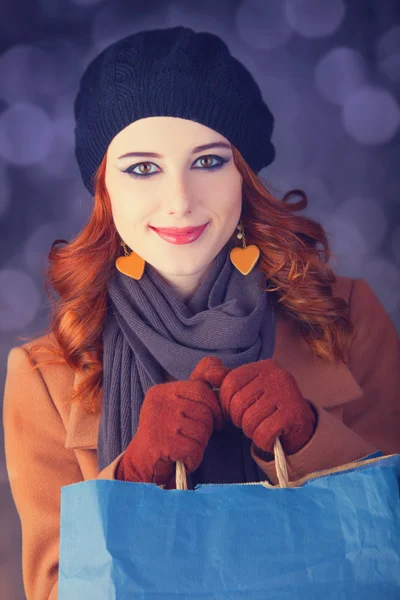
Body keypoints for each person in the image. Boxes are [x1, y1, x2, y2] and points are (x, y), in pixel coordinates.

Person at [3, 25, 400, 600]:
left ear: (244, 176)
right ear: (104, 191)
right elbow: (54, 591)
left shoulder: (347, 316)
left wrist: (311, 439)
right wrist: (135, 477)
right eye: (142, 168)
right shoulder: (44, 375)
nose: (181, 199)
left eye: (209, 161)